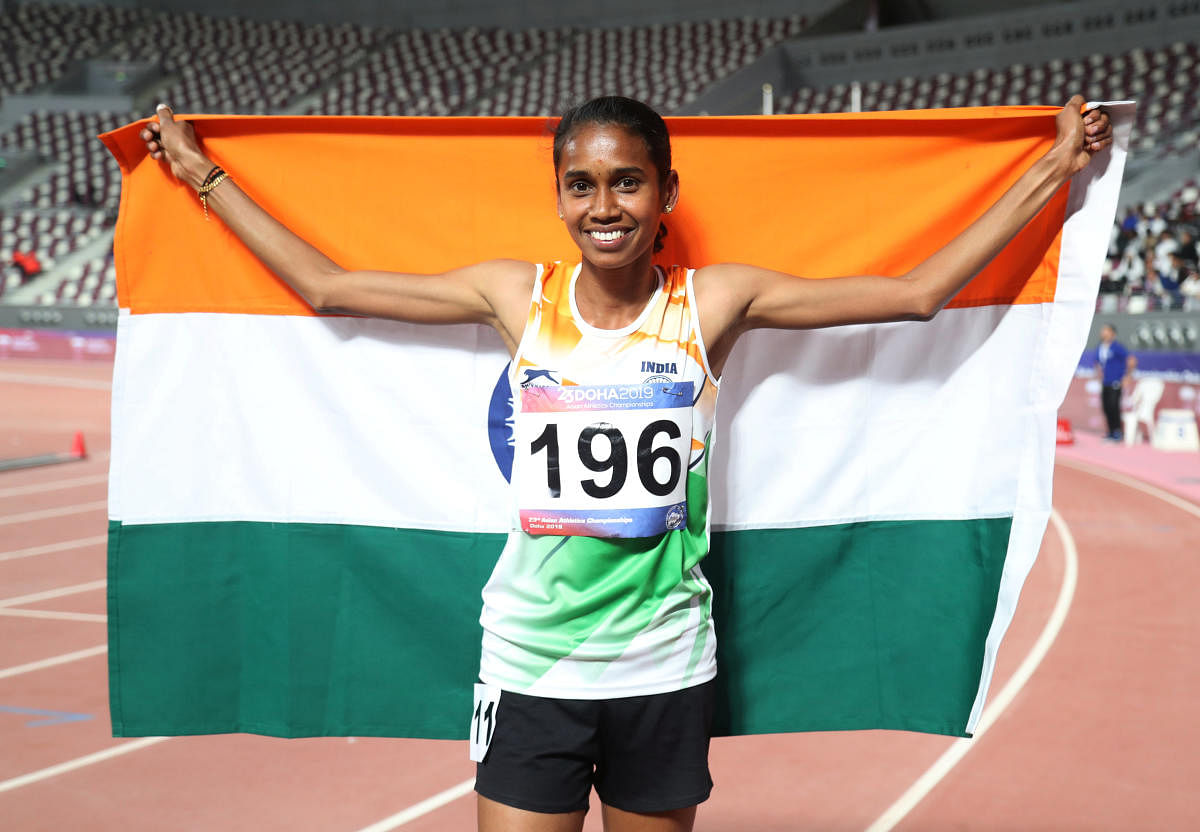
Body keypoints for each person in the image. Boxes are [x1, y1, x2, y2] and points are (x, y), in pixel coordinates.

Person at [140, 94, 1112, 832]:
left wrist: (1056, 168)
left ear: (665, 194)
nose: (604, 204)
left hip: (663, 665)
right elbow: (327, 288)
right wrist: (199, 174)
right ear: (558, 195)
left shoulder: (713, 304)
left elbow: (915, 296)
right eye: (581, 183)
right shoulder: (517, 294)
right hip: (529, 664)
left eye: (627, 181)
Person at [1095, 323, 1135, 441]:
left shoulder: (1117, 347)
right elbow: (1098, 363)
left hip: (1115, 382)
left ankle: (1117, 432)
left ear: (1112, 333)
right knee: (1106, 407)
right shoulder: (1100, 347)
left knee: (1114, 406)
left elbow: (1131, 360)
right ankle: (1111, 431)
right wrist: (1099, 374)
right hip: (1105, 382)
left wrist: (1127, 376)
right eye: (1103, 330)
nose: (1103, 333)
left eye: (1106, 330)